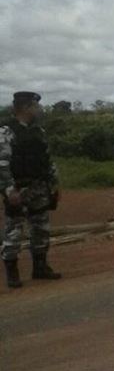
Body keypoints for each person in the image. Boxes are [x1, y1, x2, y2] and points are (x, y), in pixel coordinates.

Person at [0, 91, 62, 288]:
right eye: (36, 106)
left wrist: (54, 184)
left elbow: (47, 160)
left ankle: (40, 267)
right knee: (14, 231)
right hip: (19, 188)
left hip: (39, 187)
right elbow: (2, 164)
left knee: (41, 228)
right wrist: (9, 190)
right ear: (26, 107)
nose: (39, 109)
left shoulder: (38, 132)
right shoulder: (6, 132)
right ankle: (12, 273)